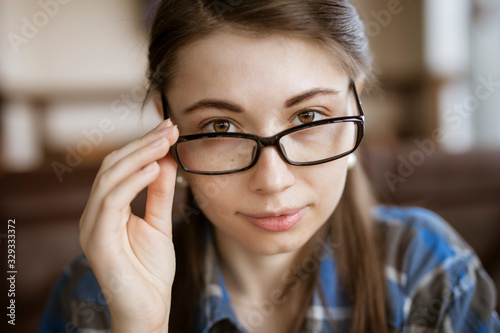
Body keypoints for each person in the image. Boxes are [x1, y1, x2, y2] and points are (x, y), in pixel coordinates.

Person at [39, 0, 500, 332]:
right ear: (167, 123)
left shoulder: (430, 271)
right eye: (221, 127)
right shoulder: (95, 292)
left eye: (308, 117)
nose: (273, 181)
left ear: (356, 103)